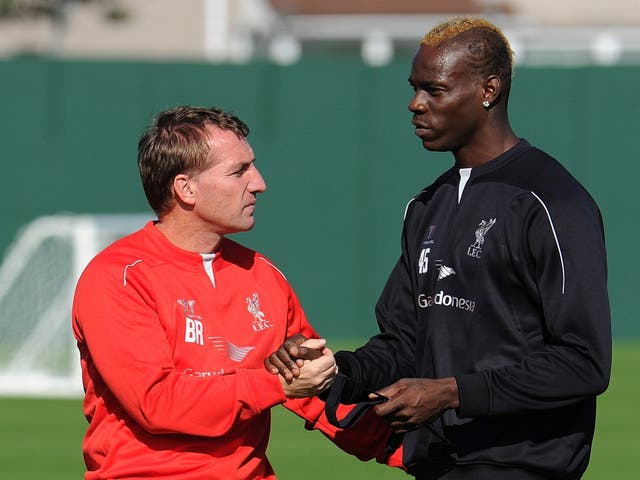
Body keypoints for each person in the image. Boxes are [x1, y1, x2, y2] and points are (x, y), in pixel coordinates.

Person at [266, 17, 612, 480]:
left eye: (435, 90)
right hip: (437, 463)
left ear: (489, 90)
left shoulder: (551, 202)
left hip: (522, 464)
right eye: (414, 88)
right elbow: (404, 344)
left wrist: (451, 393)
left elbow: (584, 363)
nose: (415, 104)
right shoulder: (426, 205)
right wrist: (336, 371)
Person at [72, 106, 400, 480]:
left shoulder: (263, 274)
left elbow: (317, 392)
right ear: (186, 188)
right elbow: (157, 403)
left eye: (253, 166)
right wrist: (277, 384)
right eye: (238, 171)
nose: (259, 183)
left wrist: (413, 452)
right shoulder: (119, 277)